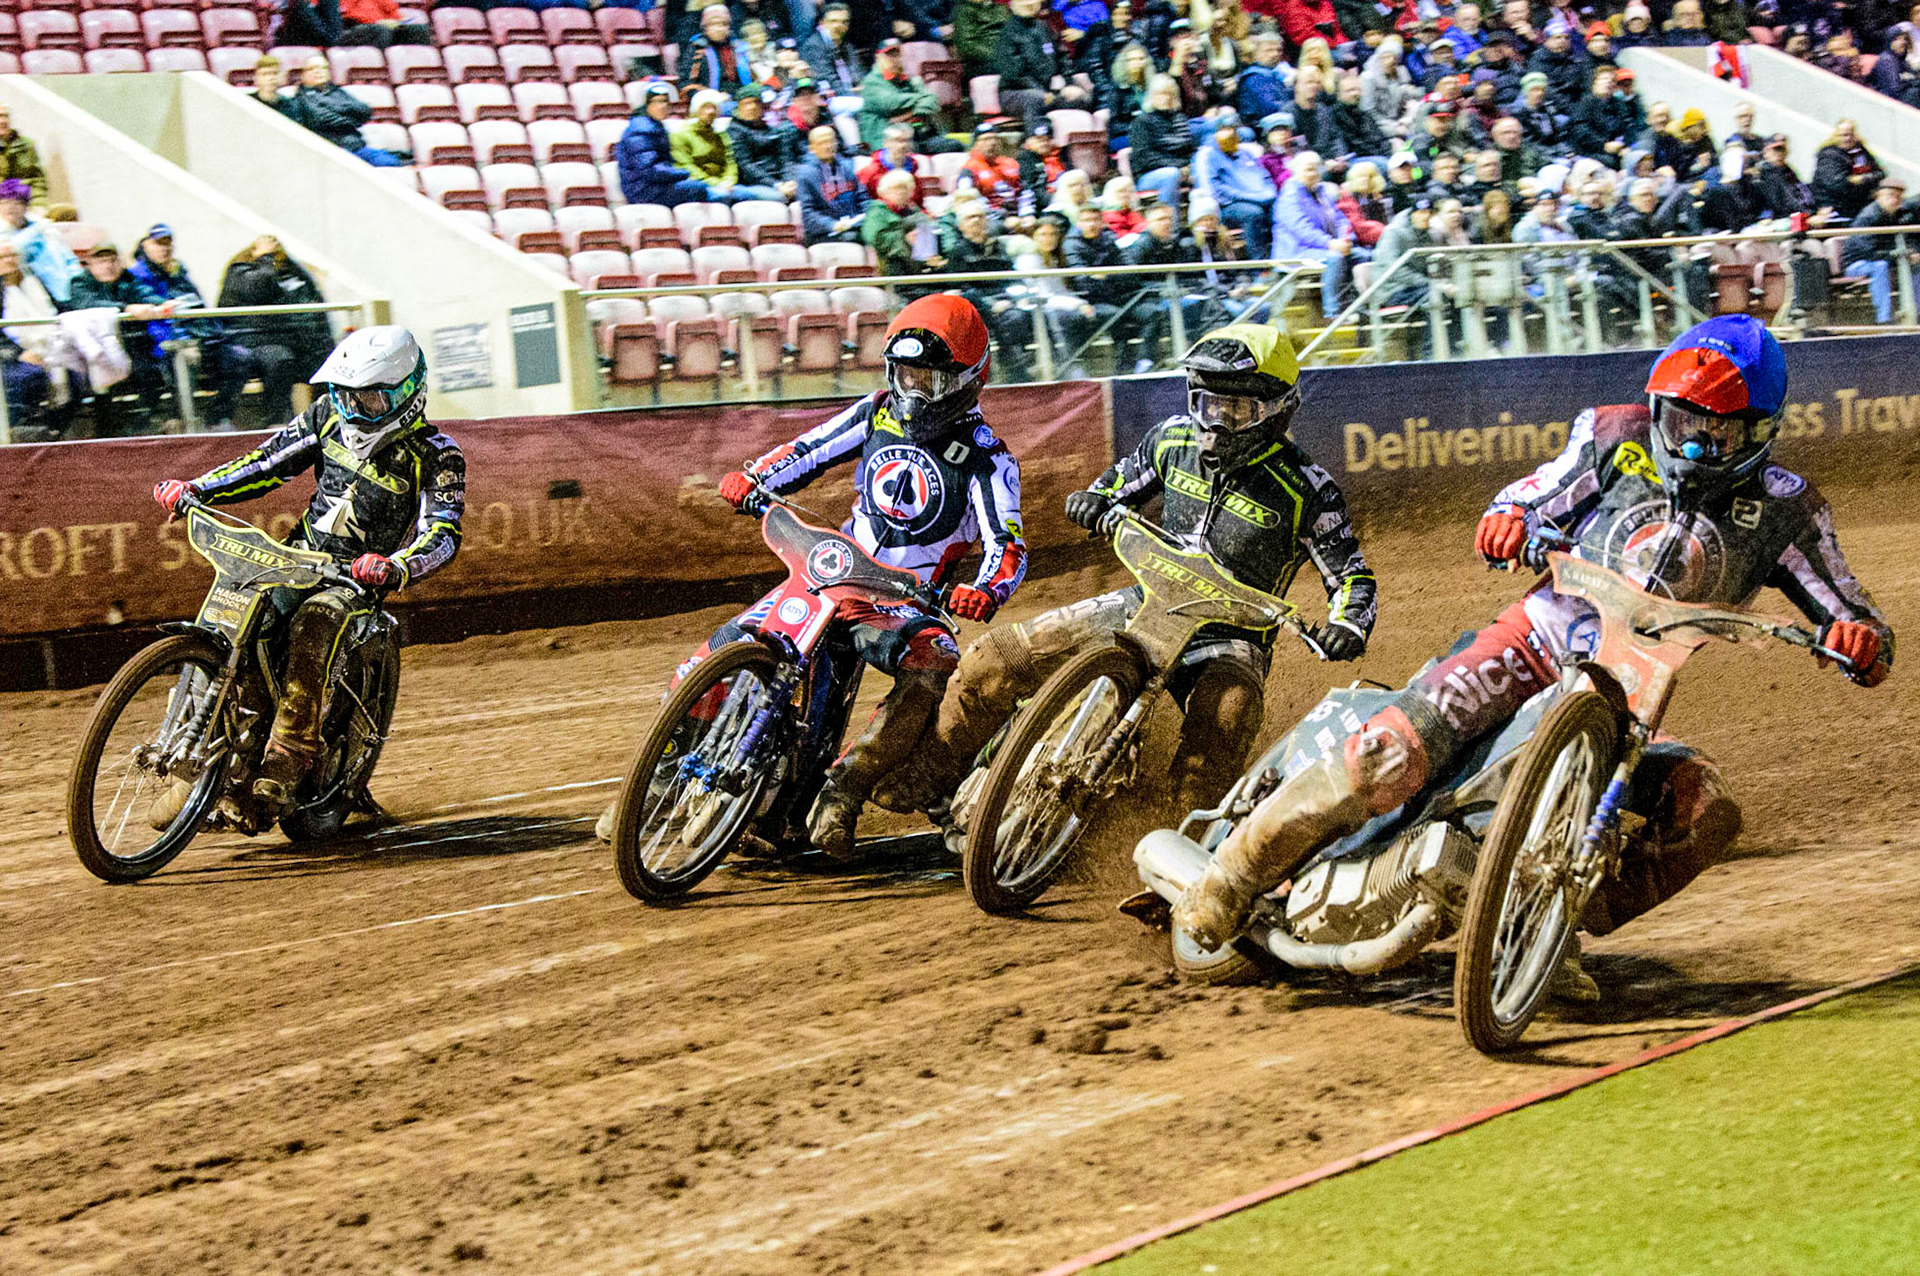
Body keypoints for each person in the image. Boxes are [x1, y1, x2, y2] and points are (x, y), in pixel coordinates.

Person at [1173, 315, 1894, 1001]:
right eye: (1681, 420)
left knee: (1710, 810)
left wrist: (1860, 638)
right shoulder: (1616, 436)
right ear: (1658, 406)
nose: (1695, 442)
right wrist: (1509, 519)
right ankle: (1233, 877)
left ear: (1760, 432)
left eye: (1716, 431)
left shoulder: (1786, 509)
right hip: (1536, 639)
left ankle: (1547, 932)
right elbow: (1533, 495)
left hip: (1633, 693)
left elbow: (1849, 606)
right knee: (1388, 754)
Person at [876, 324, 1377, 826]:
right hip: (1145, 601)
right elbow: (1115, 484)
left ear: (1277, 409)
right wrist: (1093, 501)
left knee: (1227, 717)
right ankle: (933, 771)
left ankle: (1177, 834)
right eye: (1208, 405)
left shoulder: (1308, 489)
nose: (1217, 422)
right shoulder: (1172, 439)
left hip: (1230, 637)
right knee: (993, 660)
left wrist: (1348, 624)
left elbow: (1351, 576)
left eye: (1236, 409)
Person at [604, 295, 1026, 859]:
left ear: (967, 379)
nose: (913, 391)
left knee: (935, 664)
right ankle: (655, 784)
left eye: (928, 379)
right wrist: (754, 477)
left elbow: (1008, 544)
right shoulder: (875, 411)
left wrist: (986, 590)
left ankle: (844, 791)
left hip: (905, 598)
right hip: (831, 567)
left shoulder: (986, 456)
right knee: (720, 650)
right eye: (905, 375)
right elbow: (808, 450)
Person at [150, 327, 463, 822]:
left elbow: (443, 532)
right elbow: (266, 463)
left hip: (356, 581)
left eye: (368, 397)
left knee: (315, 621)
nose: (353, 408)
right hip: (295, 559)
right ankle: (204, 746)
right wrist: (200, 489)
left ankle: (290, 754)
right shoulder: (325, 417)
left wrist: (396, 566)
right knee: (239, 621)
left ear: (407, 393)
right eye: (344, 394)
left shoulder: (437, 454)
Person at [128, 225, 262, 431]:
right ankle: (180, 421)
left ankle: (217, 418)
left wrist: (212, 335)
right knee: (184, 359)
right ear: (146, 245)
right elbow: (159, 310)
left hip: (201, 338)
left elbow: (196, 306)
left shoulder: (179, 273)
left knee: (240, 357)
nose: (165, 249)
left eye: (168, 243)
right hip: (163, 344)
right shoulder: (137, 276)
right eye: (158, 243)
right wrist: (184, 338)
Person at [217, 235, 333, 422]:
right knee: (280, 359)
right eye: (272, 255)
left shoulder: (292, 274)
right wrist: (266, 257)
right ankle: (278, 421)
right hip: (251, 341)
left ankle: (314, 421)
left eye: (277, 254)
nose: (276, 259)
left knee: (320, 361)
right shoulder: (240, 271)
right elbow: (256, 288)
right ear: (253, 253)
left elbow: (312, 308)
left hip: (295, 339)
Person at [67, 243, 168, 433]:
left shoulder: (128, 279)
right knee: (103, 381)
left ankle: (140, 426)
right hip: (94, 353)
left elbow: (145, 294)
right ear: (89, 264)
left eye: (112, 260)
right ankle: (106, 434)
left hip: (131, 347)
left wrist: (163, 304)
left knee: (152, 371)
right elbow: (88, 304)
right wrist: (126, 308)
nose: (108, 266)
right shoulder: (79, 283)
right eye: (102, 261)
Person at [1275, 151, 1361, 321]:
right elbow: (1301, 229)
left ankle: (1362, 305)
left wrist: (1345, 238)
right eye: (1308, 170)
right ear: (1297, 171)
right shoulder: (1289, 196)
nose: (1313, 174)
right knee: (1334, 258)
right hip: (1297, 252)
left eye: (1316, 169)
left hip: (1328, 246)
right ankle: (1332, 312)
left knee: (1363, 255)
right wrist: (1331, 244)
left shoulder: (1322, 192)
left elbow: (1340, 219)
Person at [287, 56, 404, 167]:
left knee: (391, 162)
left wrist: (333, 106)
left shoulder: (336, 92)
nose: (318, 72)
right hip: (330, 151)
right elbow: (321, 119)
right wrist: (349, 117)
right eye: (313, 69)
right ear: (303, 74)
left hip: (356, 146)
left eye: (323, 68)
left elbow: (364, 111)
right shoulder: (300, 100)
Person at [1195, 114, 1278, 260]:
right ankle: (1258, 266)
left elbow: (1264, 176)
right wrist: (1253, 197)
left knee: (1280, 206)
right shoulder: (1208, 156)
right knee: (1253, 213)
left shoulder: (1245, 153)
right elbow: (1216, 190)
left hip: (1258, 197)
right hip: (1227, 205)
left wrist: (1268, 192)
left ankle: (1281, 258)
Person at [858, 38, 958, 156]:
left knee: (955, 146)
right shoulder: (871, 82)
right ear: (878, 58)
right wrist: (920, 98)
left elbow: (932, 101)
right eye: (890, 55)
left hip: (918, 137)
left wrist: (911, 112)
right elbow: (891, 103)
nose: (896, 59)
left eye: (898, 55)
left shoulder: (908, 79)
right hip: (885, 142)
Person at [617, 84, 710, 208]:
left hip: (656, 185)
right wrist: (685, 173)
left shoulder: (654, 126)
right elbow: (650, 170)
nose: (663, 106)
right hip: (643, 191)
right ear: (647, 105)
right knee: (706, 189)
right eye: (658, 102)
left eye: (666, 102)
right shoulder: (640, 130)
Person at [1842, 178, 1920, 324]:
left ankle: (1918, 313)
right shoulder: (1868, 217)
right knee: (1879, 266)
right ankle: (1883, 319)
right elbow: (1868, 252)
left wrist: (1911, 252)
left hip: (1884, 258)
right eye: (1890, 195)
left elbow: (1907, 239)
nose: (1894, 200)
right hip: (1856, 264)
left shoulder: (1896, 214)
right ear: (1878, 196)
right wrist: (1895, 254)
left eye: (1898, 197)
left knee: (1916, 264)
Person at [672, 88, 765, 203]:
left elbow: (730, 162)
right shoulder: (680, 134)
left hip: (725, 185)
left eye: (714, 107)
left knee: (752, 195)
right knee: (723, 195)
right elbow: (686, 166)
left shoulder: (720, 135)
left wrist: (729, 181)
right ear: (696, 110)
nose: (710, 111)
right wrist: (717, 183)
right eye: (705, 107)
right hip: (700, 185)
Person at [0, 179, 78, 305]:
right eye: (4, 202)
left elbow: (69, 260)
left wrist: (76, 282)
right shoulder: (37, 230)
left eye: (17, 203)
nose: (10, 207)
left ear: (26, 207)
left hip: (61, 292)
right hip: (21, 296)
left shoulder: (46, 230)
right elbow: (15, 248)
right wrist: (36, 231)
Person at [1129, 75, 1198, 214]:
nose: (1166, 98)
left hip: (1181, 169)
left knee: (1203, 164)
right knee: (1171, 174)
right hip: (1148, 175)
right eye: (1161, 94)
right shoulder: (1142, 122)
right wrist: (1179, 167)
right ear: (1152, 97)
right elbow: (1145, 157)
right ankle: (1171, 227)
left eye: (1170, 94)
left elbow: (1190, 148)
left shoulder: (1180, 119)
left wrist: (1191, 165)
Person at [796, 124, 869, 244]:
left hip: (854, 225)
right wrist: (832, 225)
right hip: (824, 233)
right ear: (812, 147)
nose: (827, 146)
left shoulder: (848, 167)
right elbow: (808, 214)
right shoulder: (805, 174)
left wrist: (867, 216)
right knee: (853, 238)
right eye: (822, 143)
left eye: (830, 141)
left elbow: (863, 198)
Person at [863, 168, 943, 277]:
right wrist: (905, 239)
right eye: (896, 188)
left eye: (904, 188)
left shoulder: (913, 209)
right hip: (894, 265)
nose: (901, 192)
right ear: (885, 191)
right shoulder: (877, 211)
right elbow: (876, 239)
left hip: (920, 262)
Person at [730, 83, 799, 203]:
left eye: (756, 102)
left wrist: (789, 180)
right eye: (747, 103)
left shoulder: (772, 130)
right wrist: (777, 185)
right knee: (779, 198)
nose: (751, 107)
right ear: (739, 107)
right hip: (754, 183)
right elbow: (746, 166)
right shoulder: (734, 130)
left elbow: (786, 158)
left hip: (781, 180)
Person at [1813, 119, 1886, 221]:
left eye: (1851, 134)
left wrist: (1862, 179)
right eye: (1843, 135)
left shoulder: (1861, 152)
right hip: (1836, 207)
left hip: (1861, 205)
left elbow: (1881, 174)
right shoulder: (1828, 156)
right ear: (1835, 136)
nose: (1847, 138)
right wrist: (1866, 182)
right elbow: (1838, 185)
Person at [680, 5, 747, 97]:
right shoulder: (697, 49)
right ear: (705, 28)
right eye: (713, 24)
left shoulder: (738, 47)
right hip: (710, 100)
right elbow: (686, 84)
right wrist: (713, 96)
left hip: (739, 96)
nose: (718, 29)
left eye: (723, 24)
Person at [0, 106, 48, 205]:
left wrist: (39, 205)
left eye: (6, 116)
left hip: (24, 203)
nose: (3, 121)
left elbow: (37, 181)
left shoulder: (26, 145)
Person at [338, 0, 432, 46]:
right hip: (350, 28)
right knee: (380, 31)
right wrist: (376, 22)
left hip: (382, 27)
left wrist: (395, 22)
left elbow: (392, 10)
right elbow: (343, 12)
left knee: (418, 31)